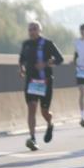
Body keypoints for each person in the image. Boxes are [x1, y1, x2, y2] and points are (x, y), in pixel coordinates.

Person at [18, 21, 64, 150]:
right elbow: (21, 59)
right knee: (31, 107)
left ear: (39, 30)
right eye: (30, 29)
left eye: (34, 29)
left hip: (45, 81)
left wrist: (45, 64)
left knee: (44, 112)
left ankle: (50, 123)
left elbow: (60, 59)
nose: (32, 31)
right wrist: (21, 69)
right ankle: (32, 138)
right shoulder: (26, 44)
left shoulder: (47, 43)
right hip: (31, 81)